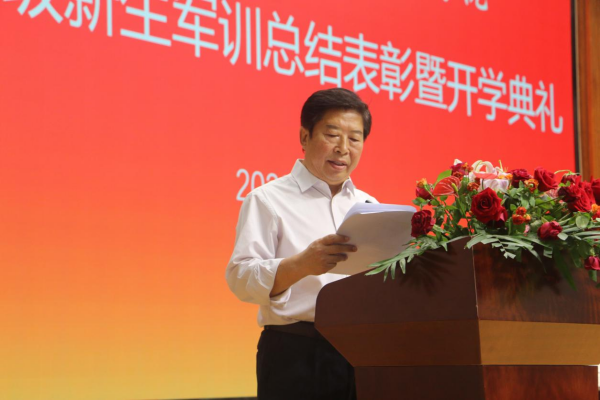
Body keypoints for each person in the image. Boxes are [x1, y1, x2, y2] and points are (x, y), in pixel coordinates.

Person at [226, 88, 377, 400]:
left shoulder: (369, 206)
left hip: (360, 353)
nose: (343, 148)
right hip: (294, 352)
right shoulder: (267, 200)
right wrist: (301, 265)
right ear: (304, 136)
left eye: (355, 138)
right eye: (332, 135)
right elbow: (240, 278)